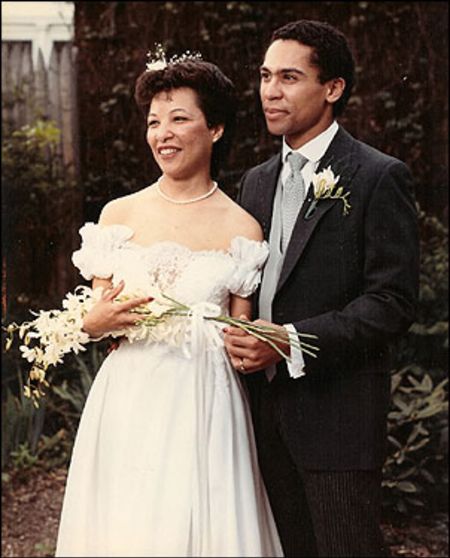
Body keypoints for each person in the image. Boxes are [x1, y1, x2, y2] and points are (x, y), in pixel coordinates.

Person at [55, 53, 283, 557]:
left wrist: (249, 341)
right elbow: (94, 317)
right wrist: (93, 323)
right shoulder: (118, 215)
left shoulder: (242, 229)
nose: (164, 134)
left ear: (215, 128)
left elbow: (241, 335)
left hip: (206, 404)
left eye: (179, 119)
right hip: (128, 400)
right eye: (154, 122)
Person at [224, 19, 419, 557]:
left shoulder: (378, 176)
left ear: (332, 88)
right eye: (265, 76)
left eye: (288, 77)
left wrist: (289, 339)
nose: (270, 91)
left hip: (337, 419)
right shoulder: (256, 181)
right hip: (261, 417)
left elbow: (392, 303)